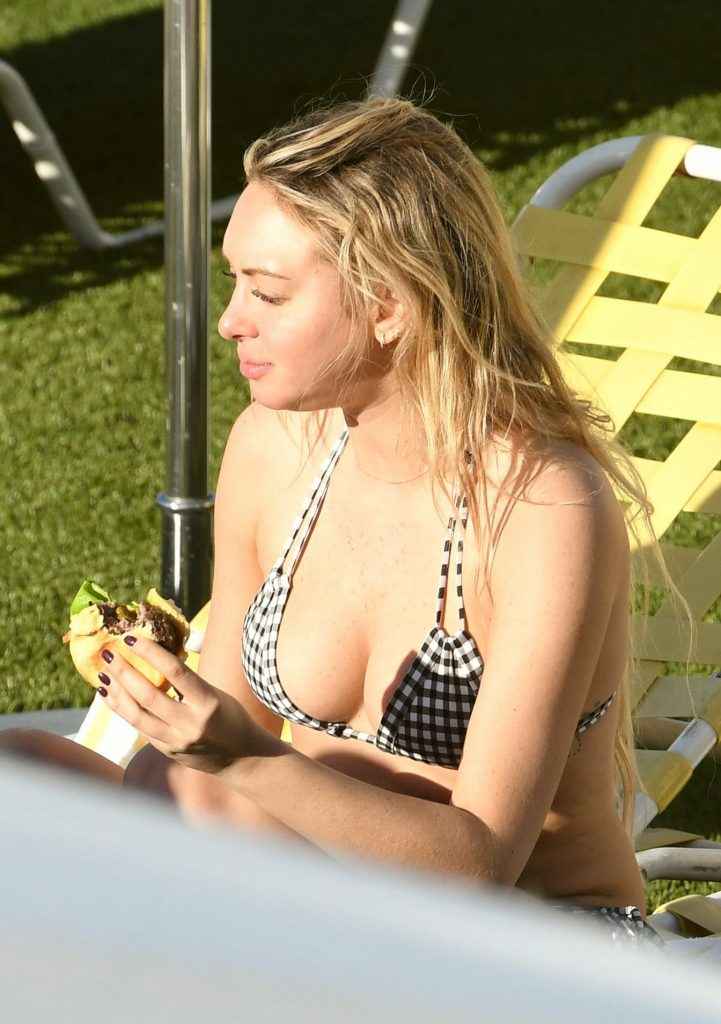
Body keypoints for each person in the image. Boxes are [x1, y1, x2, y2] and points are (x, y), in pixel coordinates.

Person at [0, 97, 675, 946]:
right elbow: (210, 766)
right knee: (18, 774)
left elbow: (480, 866)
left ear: (389, 304)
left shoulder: (541, 508)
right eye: (235, 281)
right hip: (316, 899)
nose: (230, 321)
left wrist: (238, 756)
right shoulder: (273, 448)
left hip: (528, 945)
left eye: (268, 292)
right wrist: (174, 714)